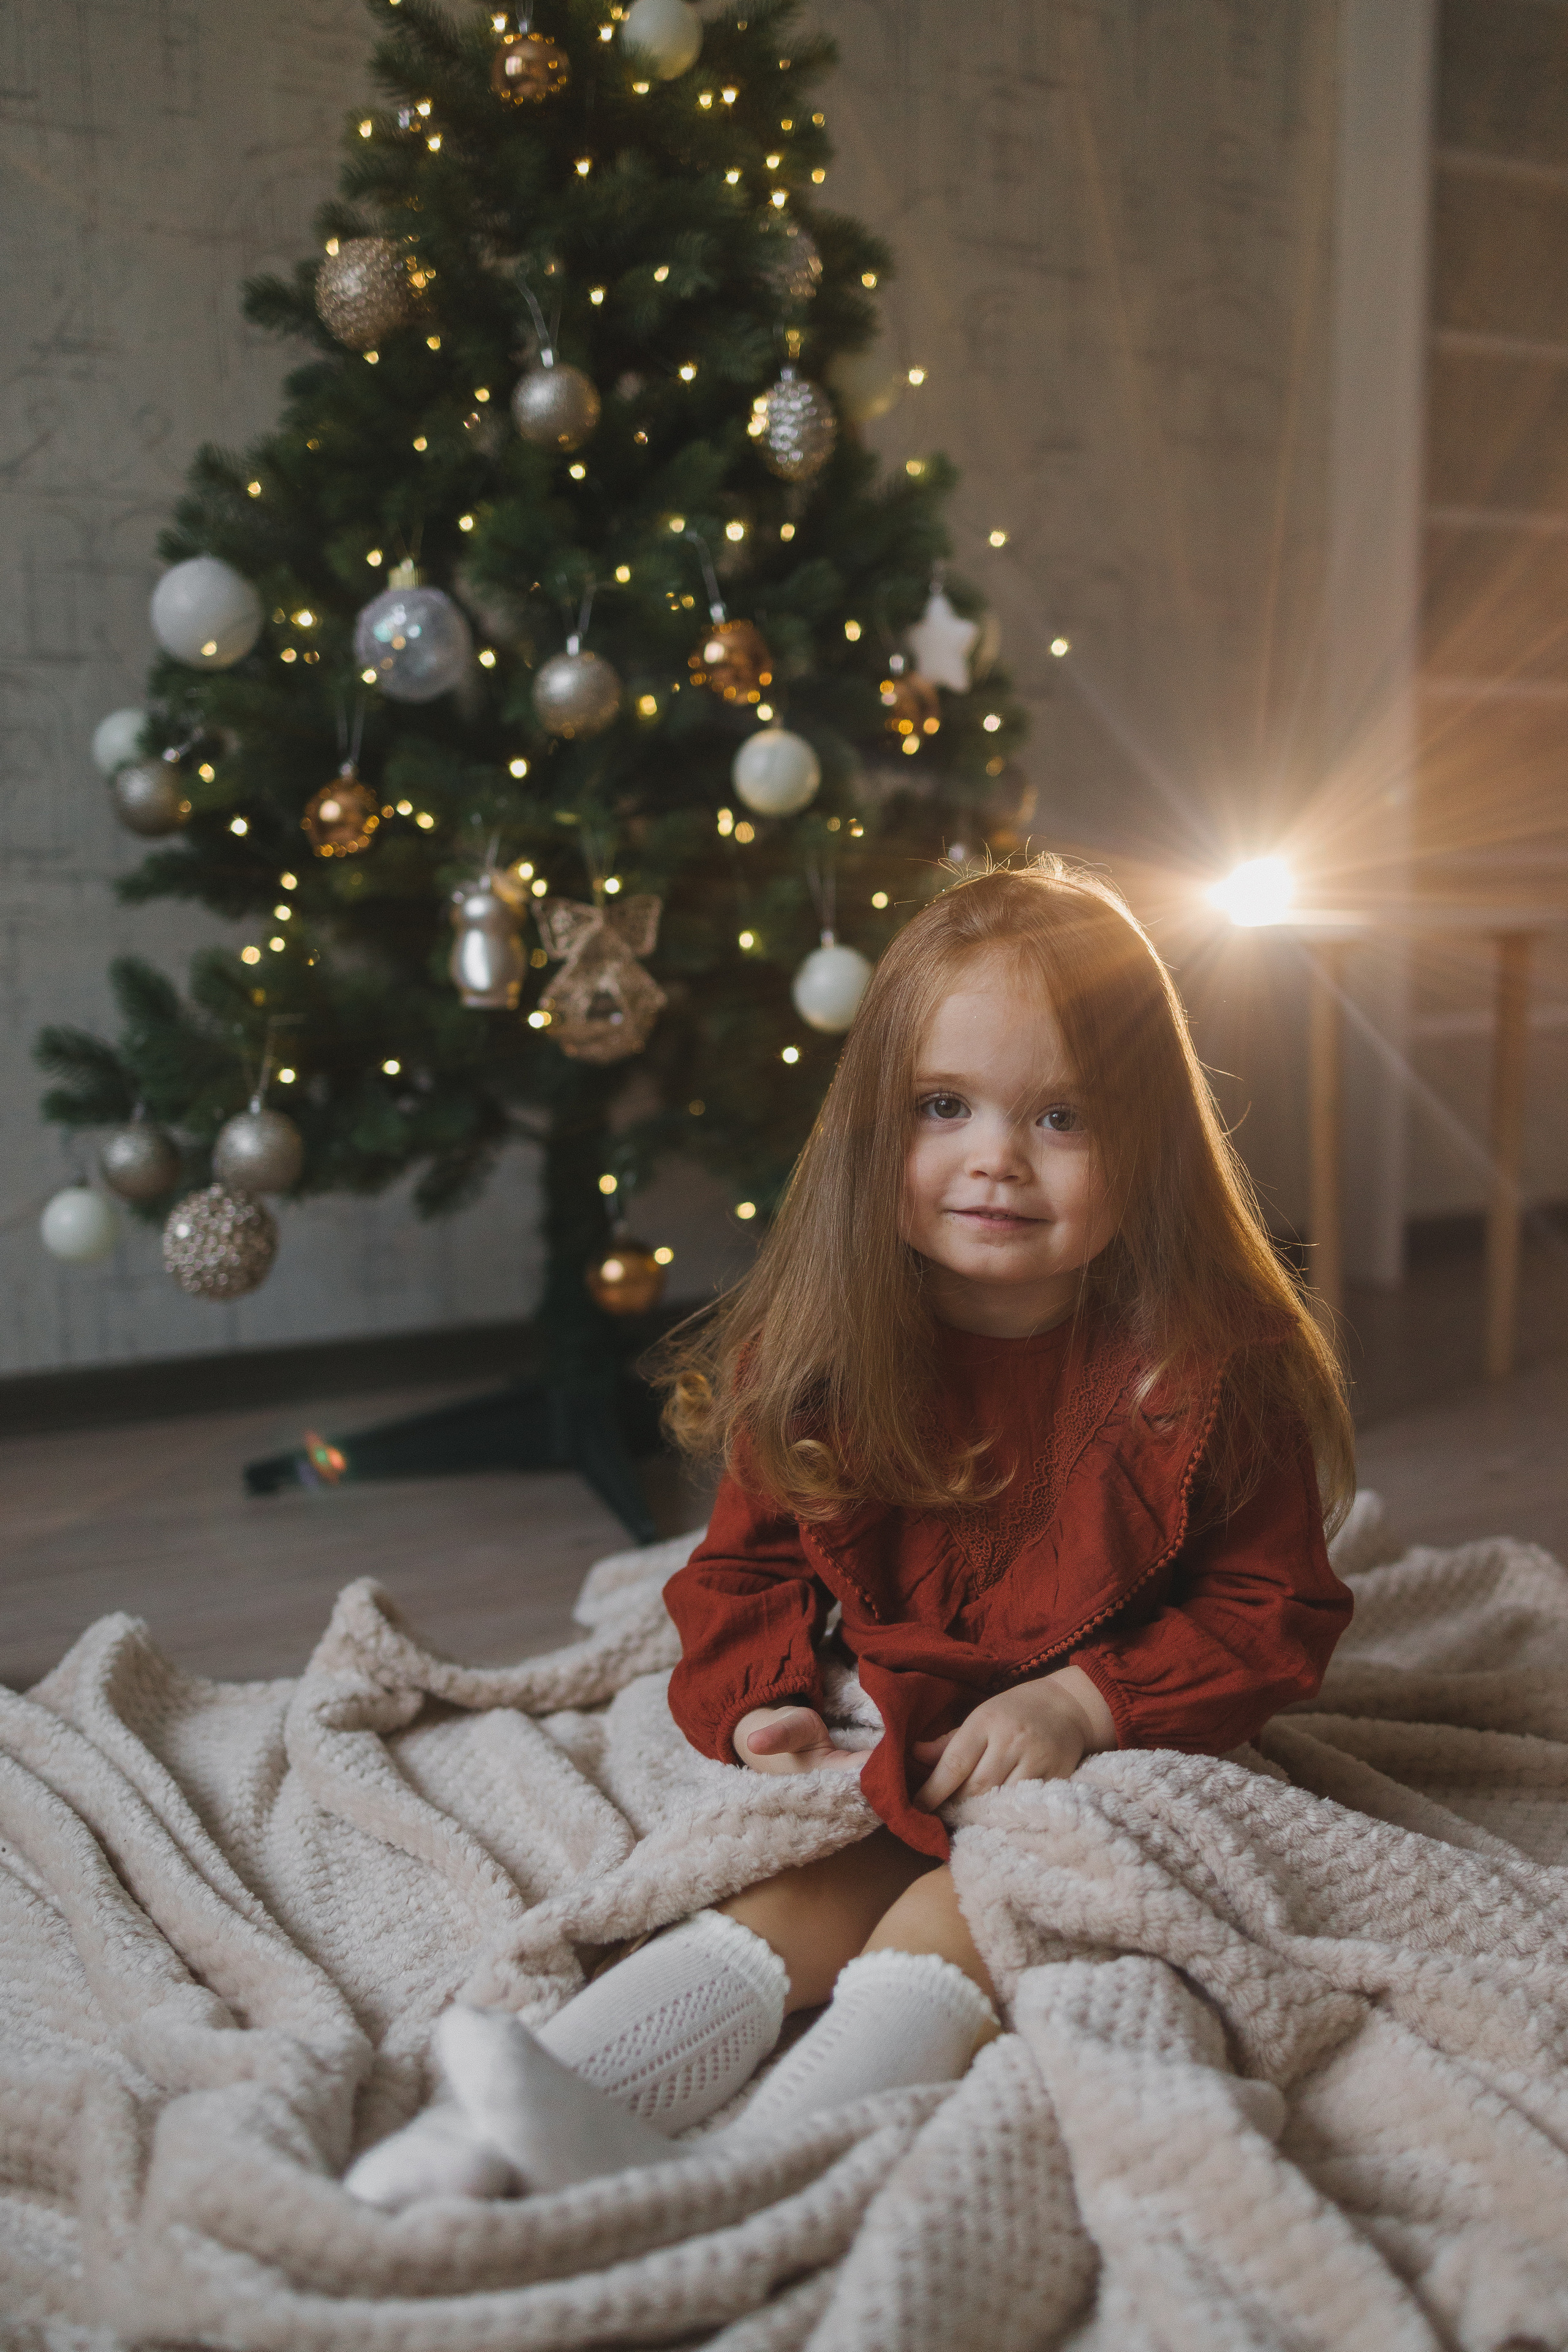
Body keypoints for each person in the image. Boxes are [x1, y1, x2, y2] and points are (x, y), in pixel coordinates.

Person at [347, 856, 1355, 2208]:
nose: (993, 1157)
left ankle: (755, 2181)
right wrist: (762, 1698)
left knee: (975, 1905)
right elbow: (746, 1566)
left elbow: (1271, 1608)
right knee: (796, 1888)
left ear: (1153, 1142)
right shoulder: (823, 1347)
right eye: (943, 1107)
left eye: (1059, 1116)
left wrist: (1085, 1703)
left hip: (1112, 1751)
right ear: (872, 1129)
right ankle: (512, 2131)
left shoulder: (1203, 1365)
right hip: (899, 1720)